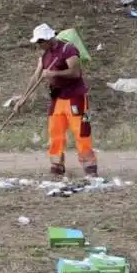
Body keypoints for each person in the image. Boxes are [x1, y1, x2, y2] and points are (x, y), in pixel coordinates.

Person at [14, 23, 97, 177]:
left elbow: (75, 72)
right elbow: (36, 76)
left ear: (48, 38)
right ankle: (57, 166)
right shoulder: (44, 55)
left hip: (75, 97)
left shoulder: (68, 49)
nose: (38, 45)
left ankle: (90, 167)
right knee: (55, 132)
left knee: (81, 132)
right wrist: (24, 97)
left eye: (40, 42)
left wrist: (54, 74)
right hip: (57, 98)